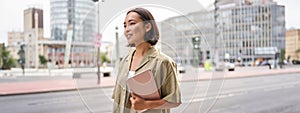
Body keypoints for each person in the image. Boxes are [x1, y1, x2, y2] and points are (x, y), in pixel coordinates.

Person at [112, 8, 181, 113]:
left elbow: (175, 100)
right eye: (125, 25)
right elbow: (117, 100)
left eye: (132, 23)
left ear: (148, 26)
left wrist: (146, 104)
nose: (126, 29)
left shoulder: (164, 62)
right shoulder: (124, 61)